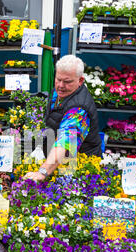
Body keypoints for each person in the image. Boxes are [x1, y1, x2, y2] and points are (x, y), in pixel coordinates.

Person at [23, 54, 102, 182]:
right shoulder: (62, 91)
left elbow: (65, 142)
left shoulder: (79, 108)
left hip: (79, 167)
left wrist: (42, 172)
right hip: (60, 160)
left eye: (67, 81)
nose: (60, 85)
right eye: (58, 79)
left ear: (80, 81)